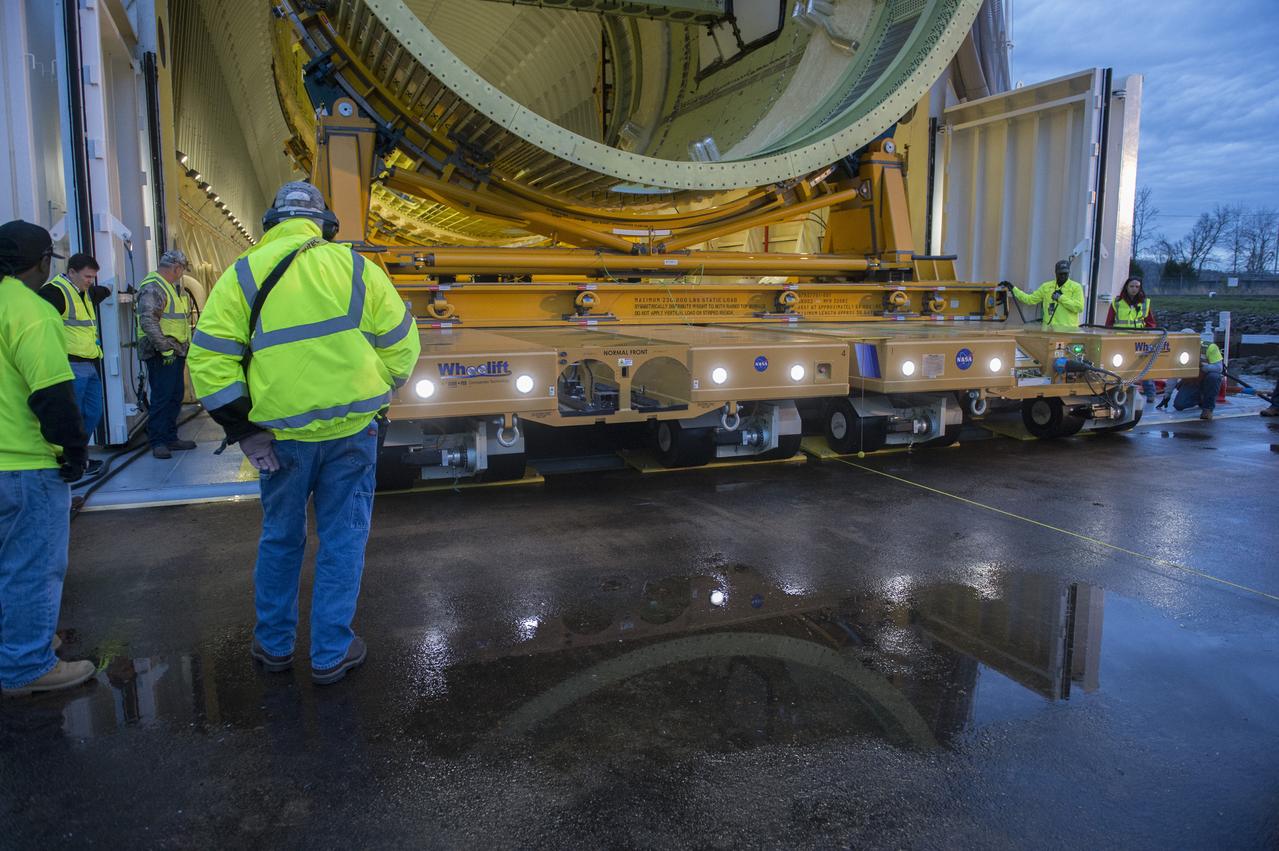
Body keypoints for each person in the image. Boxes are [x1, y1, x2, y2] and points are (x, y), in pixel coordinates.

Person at [187, 182, 420, 685]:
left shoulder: (242, 274)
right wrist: (380, 394)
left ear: (271, 222)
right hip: (353, 435)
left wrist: (245, 431)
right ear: (325, 224)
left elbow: (208, 361)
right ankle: (331, 652)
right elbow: (402, 346)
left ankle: (273, 646)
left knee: (281, 540)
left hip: (280, 442)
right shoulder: (358, 268)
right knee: (343, 540)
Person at [0, 220, 96, 697]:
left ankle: (18, 638)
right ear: (40, 263)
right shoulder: (29, 311)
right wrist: (74, 452)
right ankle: (25, 665)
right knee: (33, 565)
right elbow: (54, 395)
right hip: (22, 464)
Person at [39, 253, 109, 470]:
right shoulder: (54, 292)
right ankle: (66, 459)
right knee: (72, 416)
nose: (90, 281)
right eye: (87, 276)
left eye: (93, 277)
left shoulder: (85, 293)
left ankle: (79, 455)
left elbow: (100, 292)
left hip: (89, 364)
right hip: (70, 365)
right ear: (71, 272)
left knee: (93, 412)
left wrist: (109, 289)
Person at [136, 249, 196, 459]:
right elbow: (148, 321)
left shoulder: (168, 287)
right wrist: (165, 349)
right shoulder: (154, 287)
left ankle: (170, 437)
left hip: (174, 351)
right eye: (181, 270)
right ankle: (158, 441)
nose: (181, 274)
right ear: (177, 268)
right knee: (162, 396)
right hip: (163, 353)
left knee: (174, 395)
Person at [1105, 276, 1158, 404]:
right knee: (1119, 367)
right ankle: (1117, 391)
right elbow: (1109, 323)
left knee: (1144, 367)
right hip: (1120, 341)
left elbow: (1151, 323)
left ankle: (1150, 394)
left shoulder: (1145, 303)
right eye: (1132, 286)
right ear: (1126, 287)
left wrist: (1147, 338)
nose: (1134, 289)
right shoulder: (1117, 302)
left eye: (1137, 287)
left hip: (1139, 342)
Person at [1004, 260, 1086, 329]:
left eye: (1065, 273)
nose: (1063, 276)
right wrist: (1014, 289)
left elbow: (1079, 307)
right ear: (1056, 273)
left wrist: (1060, 298)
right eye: (1060, 273)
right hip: (1049, 330)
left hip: (1068, 331)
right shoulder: (1046, 287)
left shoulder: (1076, 287)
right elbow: (1029, 300)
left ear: (1069, 272)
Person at [1171, 334, 1224, 421]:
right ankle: (1201, 398)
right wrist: (1167, 395)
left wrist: (1202, 368)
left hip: (1207, 378)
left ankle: (1208, 409)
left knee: (1214, 377)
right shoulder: (1179, 351)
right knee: (1179, 405)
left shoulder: (1210, 347)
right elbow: (1173, 375)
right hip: (1192, 380)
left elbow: (1219, 368)